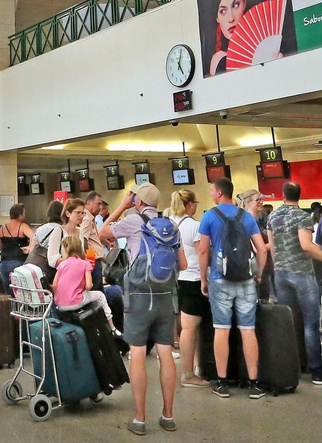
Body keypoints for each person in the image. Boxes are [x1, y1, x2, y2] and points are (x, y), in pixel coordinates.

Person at [100, 183, 182, 436]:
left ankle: (139, 419)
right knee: (165, 353)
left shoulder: (134, 221)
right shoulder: (171, 225)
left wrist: (123, 205)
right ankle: (168, 416)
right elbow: (183, 263)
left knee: (137, 355)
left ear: (138, 200)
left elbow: (103, 232)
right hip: (166, 297)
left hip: (138, 296)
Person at [266, 182, 322, 386]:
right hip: (302, 274)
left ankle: (294, 365)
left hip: (281, 274)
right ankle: (317, 370)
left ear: (283, 195)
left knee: (290, 323)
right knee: (310, 323)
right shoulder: (303, 217)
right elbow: (306, 246)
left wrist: (278, 267)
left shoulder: (272, 216)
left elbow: (273, 247)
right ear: (299, 196)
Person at [196, 179, 270, 399]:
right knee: (248, 330)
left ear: (219, 193)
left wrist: (203, 279)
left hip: (220, 279)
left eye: (211, 190)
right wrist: (258, 274)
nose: (210, 193)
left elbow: (202, 251)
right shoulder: (246, 216)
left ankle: (222, 383)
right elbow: (261, 250)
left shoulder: (209, 216)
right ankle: (254, 383)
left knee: (222, 329)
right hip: (246, 280)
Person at [169, 190, 210, 389]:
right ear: (190, 204)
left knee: (188, 327)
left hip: (177, 278)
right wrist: (205, 278)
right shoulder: (194, 226)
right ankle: (188, 373)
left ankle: (195, 367)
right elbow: (202, 252)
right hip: (193, 278)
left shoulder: (170, 223)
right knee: (190, 327)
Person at [53, 233, 114, 321]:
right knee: (100, 295)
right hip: (76, 302)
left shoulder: (62, 264)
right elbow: (89, 286)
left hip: (60, 304)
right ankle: (111, 326)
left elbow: (55, 285)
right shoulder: (85, 263)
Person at [207, 0, 247, 76]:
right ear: (217, 17)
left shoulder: (267, 46)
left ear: (244, 2)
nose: (231, 18)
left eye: (236, 5)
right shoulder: (219, 60)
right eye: (223, 11)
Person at [0, 204, 34, 289]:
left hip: (4, 263)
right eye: (23, 213)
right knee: (19, 292)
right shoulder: (22, 226)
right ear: (20, 215)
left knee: (8, 292)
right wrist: (29, 248)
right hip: (19, 261)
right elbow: (33, 236)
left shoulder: (3, 228)